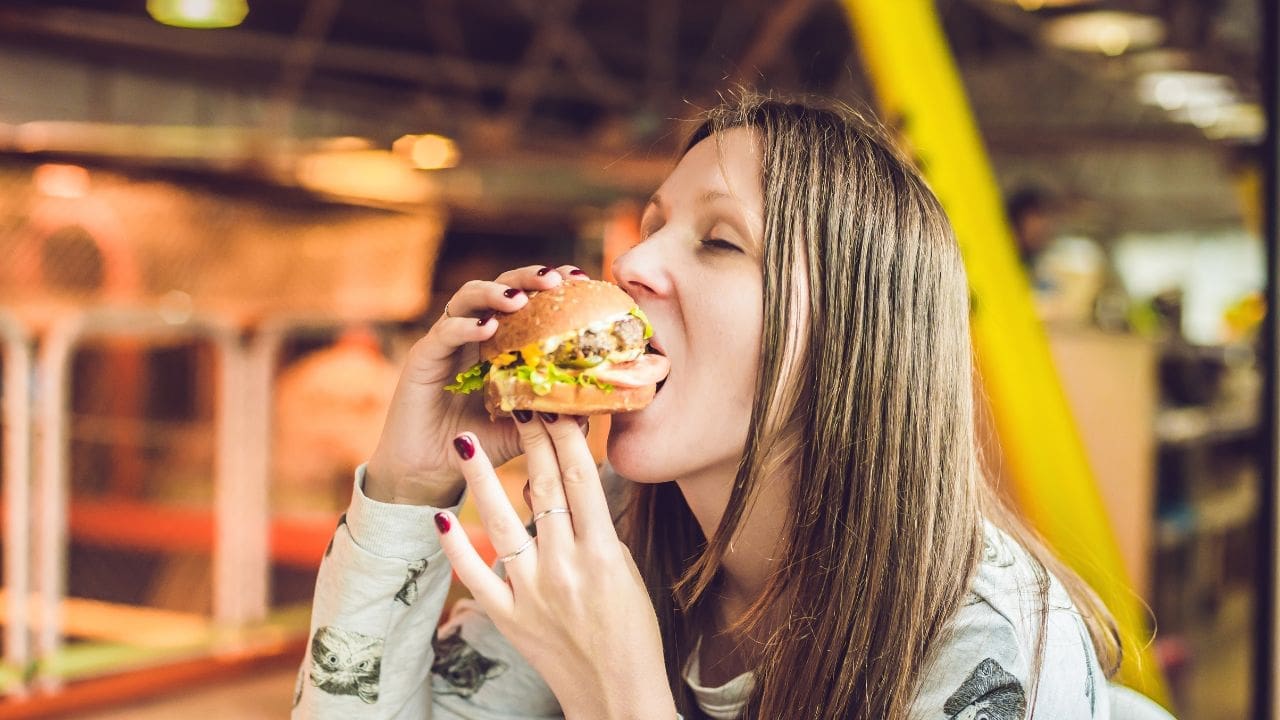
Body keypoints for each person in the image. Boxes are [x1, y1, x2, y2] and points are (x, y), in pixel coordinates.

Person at [293, 95, 1131, 719]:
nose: (633, 261)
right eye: (650, 224)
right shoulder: (611, 538)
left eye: (720, 240)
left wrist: (619, 690)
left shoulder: (991, 655)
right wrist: (408, 487)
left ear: (852, 335)